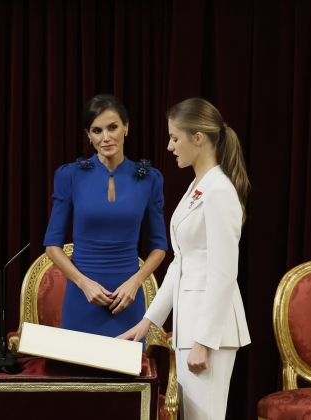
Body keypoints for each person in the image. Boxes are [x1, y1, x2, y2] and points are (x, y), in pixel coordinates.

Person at [119, 98, 251, 419]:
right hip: (190, 327)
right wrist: (148, 321)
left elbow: (223, 273)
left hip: (210, 334)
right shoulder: (198, 186)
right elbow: (181, 264)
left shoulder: (219, 191)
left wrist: (203, 341)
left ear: (198, 138)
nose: (169, 146)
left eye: (175, 138)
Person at [43, 94, 167, 338]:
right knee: (79, 375)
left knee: (128, 374)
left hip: (127, 301)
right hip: (83, 299)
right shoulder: (70, 176)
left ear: (126, 127)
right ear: (88, 134)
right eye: (97, 131)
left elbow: (159, 247)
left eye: (113, 127)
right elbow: (52, 245)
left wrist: (135, 283)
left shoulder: (149, 179)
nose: (106, 137)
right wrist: (83, 283)